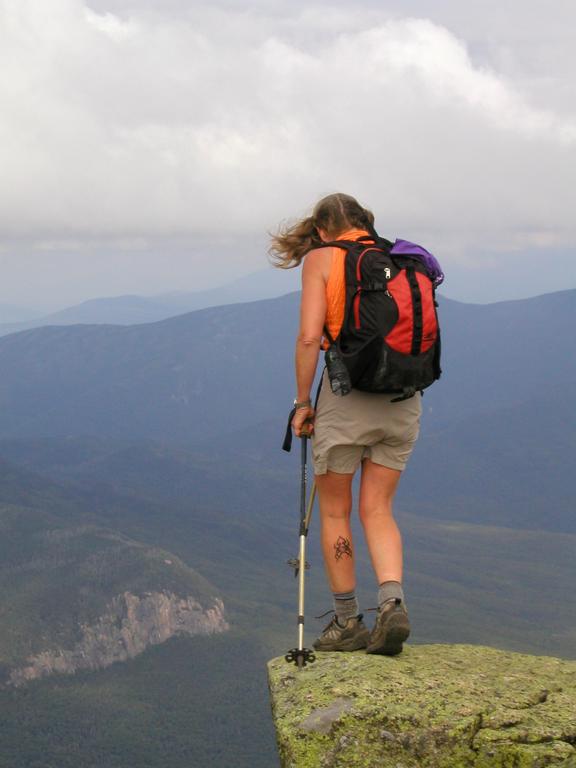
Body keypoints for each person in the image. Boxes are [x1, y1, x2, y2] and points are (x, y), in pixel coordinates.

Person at [270, 192, 423, 655]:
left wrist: (302, 403)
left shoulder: (322, 259)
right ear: (362, 221)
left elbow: (308, 337)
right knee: (378, 509)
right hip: (404, 399)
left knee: (336, 511)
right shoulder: (399, 258)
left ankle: (347, 621)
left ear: (321, 230)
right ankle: (392, 602)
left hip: (347, 400)